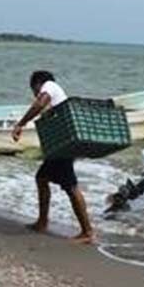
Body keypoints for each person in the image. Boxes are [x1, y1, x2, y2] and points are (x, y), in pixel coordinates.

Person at [11, 71, 95, 244]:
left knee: (70, 186)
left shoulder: (49, 86)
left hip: (65, 146)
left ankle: (87, 232)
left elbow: (40, 103)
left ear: (37, 84)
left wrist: (21, 123)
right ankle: (42, 222)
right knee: (42, 178)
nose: (34, 94)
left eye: (33, 90)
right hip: (61, 145)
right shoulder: (56, 93)